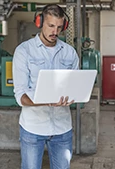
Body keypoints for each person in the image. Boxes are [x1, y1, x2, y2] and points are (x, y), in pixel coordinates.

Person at [12, 4, 79, 169]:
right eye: (50, 26)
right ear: (40, 22)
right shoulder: (24, 51)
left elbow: (75, 86)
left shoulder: (70, 53)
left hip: (62, 129)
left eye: (58, 27)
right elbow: (20, 95)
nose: (54, 32)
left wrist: (74, 96)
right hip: (33, 128)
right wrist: (47, 101)